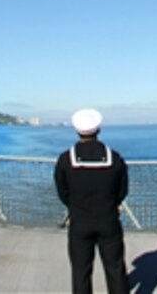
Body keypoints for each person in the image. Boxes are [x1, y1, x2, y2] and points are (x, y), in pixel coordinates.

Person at [54, 108, 130, 294]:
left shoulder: (66, 160)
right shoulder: (115, 158)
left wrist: (74, 207)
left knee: (81, 272)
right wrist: (112, 204)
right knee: (115, 268)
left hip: (80, 223)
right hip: (109, 221)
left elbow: (62, 191)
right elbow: (122, 190)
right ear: (99, 129)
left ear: (77, 130)